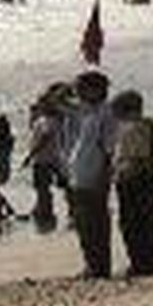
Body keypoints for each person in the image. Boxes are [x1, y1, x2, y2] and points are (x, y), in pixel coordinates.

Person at [63, 70, 115, 278]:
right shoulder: (86, 111)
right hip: (78, 176)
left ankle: (99, 267)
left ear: (96, 90)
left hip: (94, 177)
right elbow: (49, 102)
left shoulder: (106, 113)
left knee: (96, 224)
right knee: (84, 224)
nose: (77, 93)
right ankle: (92, 265)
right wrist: (68, 87)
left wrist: (104, 178)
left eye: (81, 89)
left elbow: (109, 150)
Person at [110, 90, 153, 276]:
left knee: (134, 224)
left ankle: (142, 264)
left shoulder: (133, 128)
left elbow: (137, 160)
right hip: (143, 180)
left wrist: (120, 175)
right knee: (146, 223)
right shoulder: (137, 126)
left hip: (136, 181)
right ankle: (148, 263)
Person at [22, 90, 68, 231]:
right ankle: (42, 209)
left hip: (43, 159)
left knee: (42, 187)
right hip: (56, 158)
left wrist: (30, 155)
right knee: (51, 186)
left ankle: (45, 211)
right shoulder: (56, 120)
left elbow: (44, 138)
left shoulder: (47, 121)